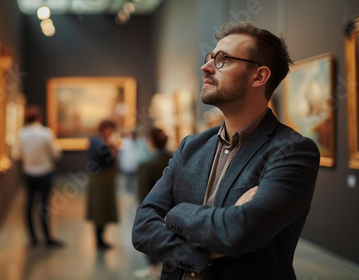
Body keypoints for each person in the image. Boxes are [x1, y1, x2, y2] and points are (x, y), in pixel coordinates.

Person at [132, 21, 320, 280]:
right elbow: (142, 227)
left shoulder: (293, 151)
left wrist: (175, 213)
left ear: (259, 76)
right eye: (211, 57)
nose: (206, 66)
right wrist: (204, 252)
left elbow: (237, 231)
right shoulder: (191, 147)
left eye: (223, 59)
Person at [18, 105, 63, 247]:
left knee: (29, 205)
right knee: (44, 206)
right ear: (39, 118)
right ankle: (47, 237)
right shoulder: (46, 133)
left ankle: (33, 238)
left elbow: (19, 154)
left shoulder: (21, 134)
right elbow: (56, 154)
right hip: (45, 173)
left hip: (29, 172)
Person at [134, 127, 173, 279]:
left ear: (150, 141)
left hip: (155, 209)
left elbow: (143, 194)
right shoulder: (174, 157)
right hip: (175, 208)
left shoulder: (146, 164)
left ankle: (153, 267)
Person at [86, 119, 119, 249]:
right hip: (101, 180)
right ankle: (99, 240)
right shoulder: (100, 144)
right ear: (105, 128)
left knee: (101, 211)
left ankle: (100, 239)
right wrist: (113, 148)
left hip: (101, 179)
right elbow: (110, 160)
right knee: (100, 210)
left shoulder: (95, 141)